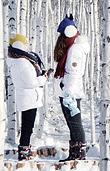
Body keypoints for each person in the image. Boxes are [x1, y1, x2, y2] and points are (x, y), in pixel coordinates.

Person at [6, 33, 51, 161]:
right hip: (29, 98)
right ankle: (24, 152)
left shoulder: (21, 60)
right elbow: (30, 82)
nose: (28, 46)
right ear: (19, 45)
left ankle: (25, 149)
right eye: (26, 44)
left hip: (29, 97)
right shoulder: (22, 62)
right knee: (27, 127)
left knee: (27, 126)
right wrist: (43, 78)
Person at [53, 15, 89, 162]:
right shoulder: (72, 48)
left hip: (70, 92)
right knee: (71, 123)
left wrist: (68, 92)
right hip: (67, 90)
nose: (60, 37)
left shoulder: (74, 49)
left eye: (62, 34)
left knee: (75, 123)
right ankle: (74, 153)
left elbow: (74, 73)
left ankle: (79, 153)